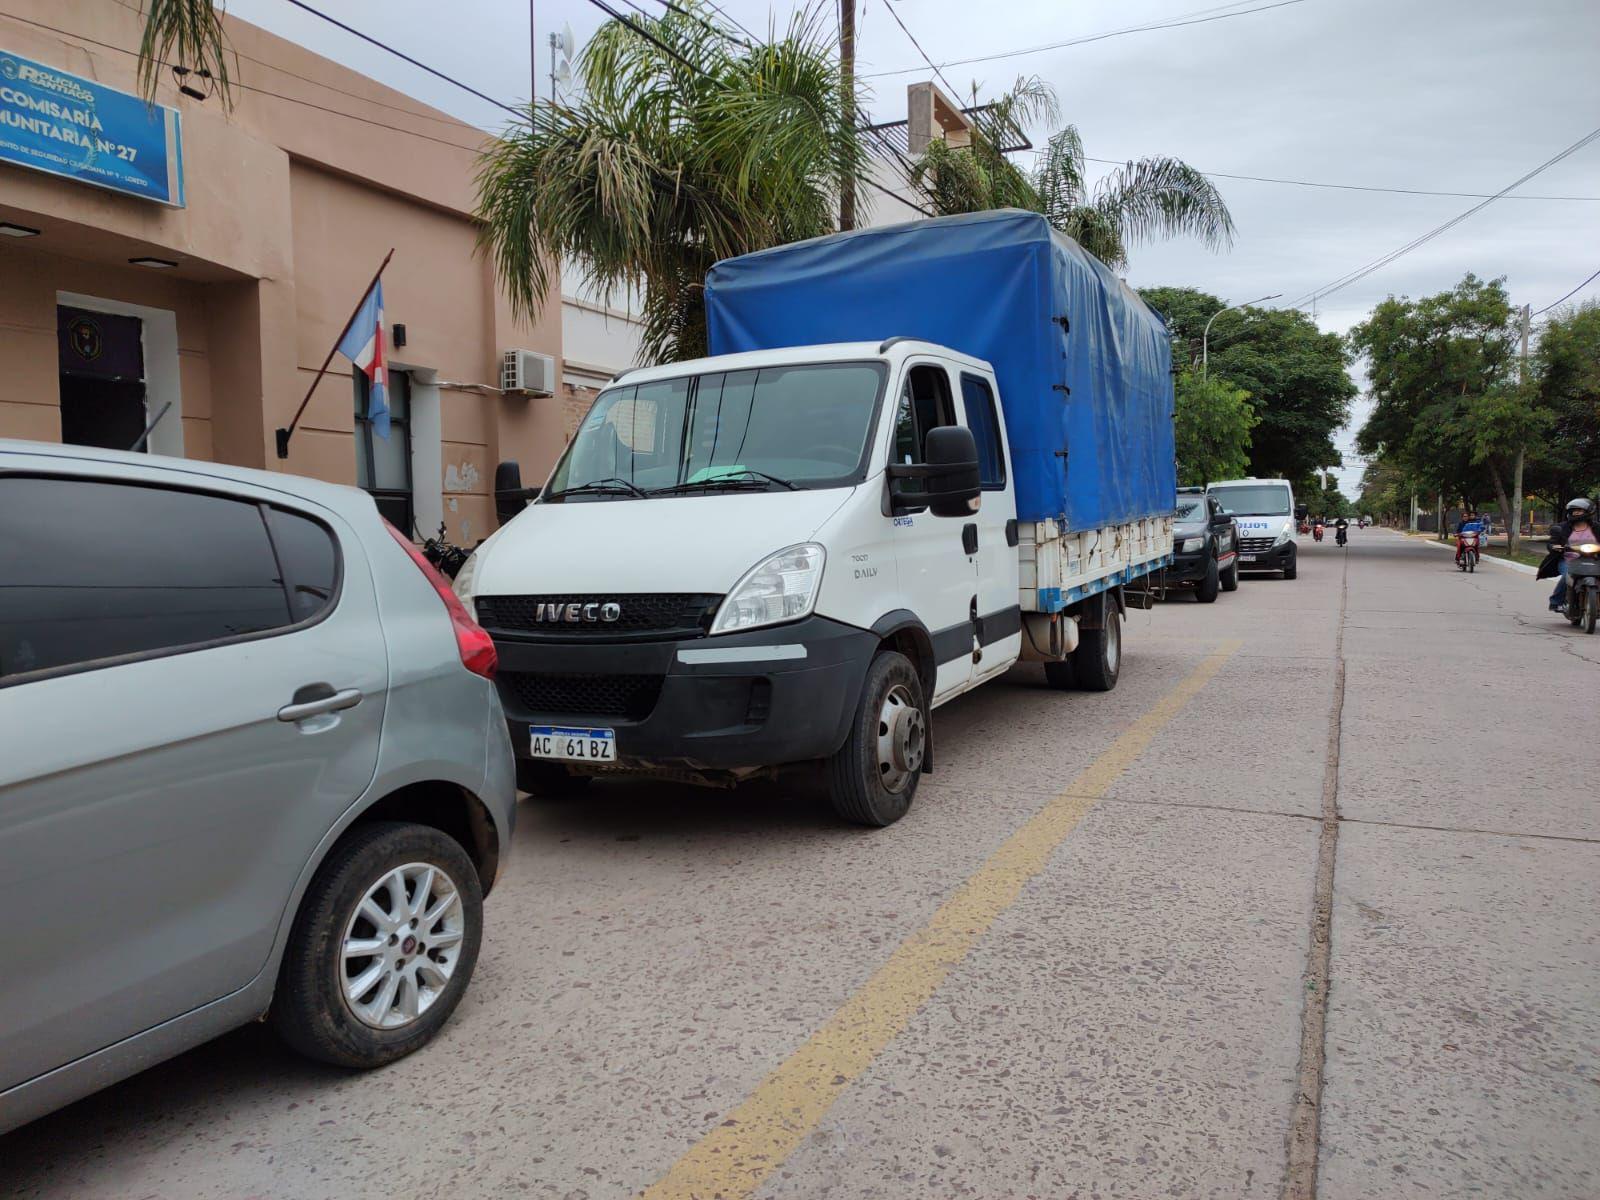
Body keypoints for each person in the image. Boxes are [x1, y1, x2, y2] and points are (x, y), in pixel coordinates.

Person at [1546, 498, 1598, 612]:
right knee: (1568, 575)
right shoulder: (1561, 527)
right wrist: (1553, 547)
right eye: (1574, 510)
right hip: (1568, 560)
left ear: (1589, 511)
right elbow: (1551, 543)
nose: (1576, 513)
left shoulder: (1597, 527)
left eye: (1579, 510)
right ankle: (1556, 601)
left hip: (1594, 559)